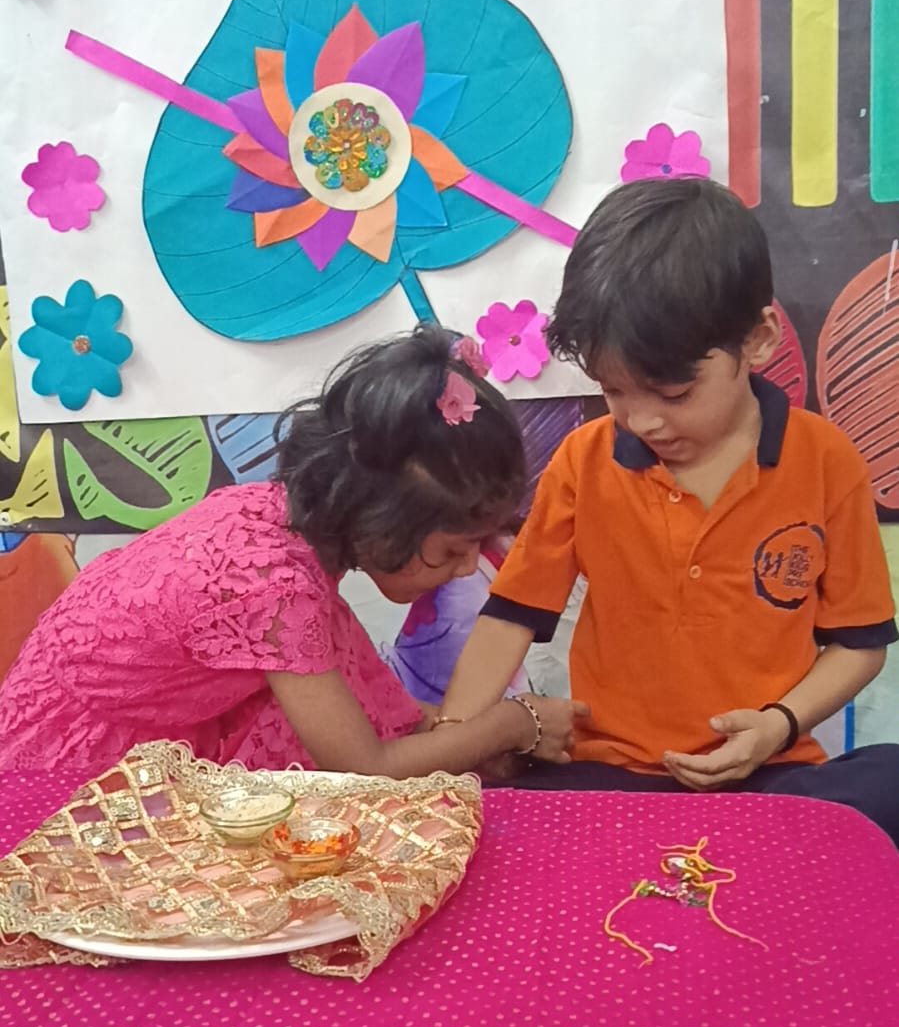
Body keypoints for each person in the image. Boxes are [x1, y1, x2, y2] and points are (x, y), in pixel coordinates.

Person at [439, 178, 899, 841]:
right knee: (504, 820)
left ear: (759, 339)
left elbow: (858, 645)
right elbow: (508, 619)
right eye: (614, 391)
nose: (643, 420)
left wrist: (777, 725)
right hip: (610, 775)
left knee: (887, 781)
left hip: (768, 774)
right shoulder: (583, 461)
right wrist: (450, 749)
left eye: (674, 393)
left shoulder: (825, 461)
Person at [0, 328, 582, 782]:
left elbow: (372, 709)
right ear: (381, 520)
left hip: (112, 725)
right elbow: (365, 767)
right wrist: (512, 723)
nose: (469, 567)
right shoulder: (275, 587)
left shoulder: (270, 517)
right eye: (456, 549)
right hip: (64, 772)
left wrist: (473, 733)